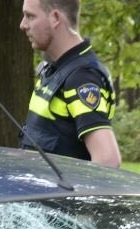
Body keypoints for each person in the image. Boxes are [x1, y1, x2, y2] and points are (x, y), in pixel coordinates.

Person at [18, 0, 121, 167]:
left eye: (30, 16)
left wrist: (72, 193)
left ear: (55, 18)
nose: (23, 25)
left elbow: (108, 159)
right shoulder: (57, 68)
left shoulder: (82, 77)